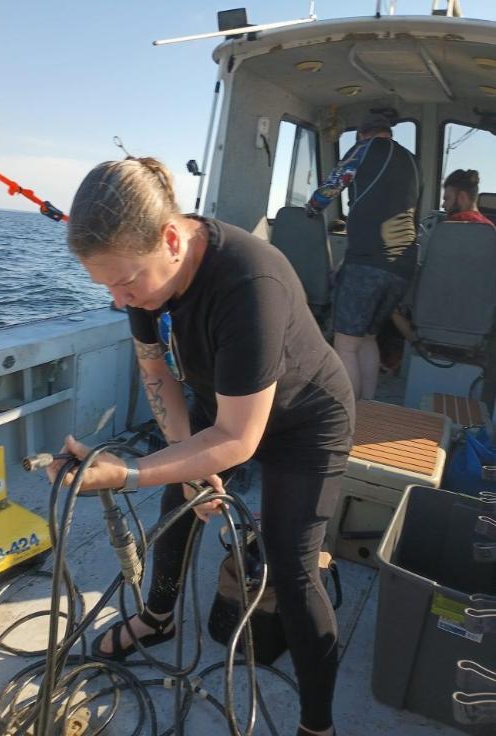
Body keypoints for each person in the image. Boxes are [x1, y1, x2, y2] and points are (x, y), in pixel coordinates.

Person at [52, 157, 355, 736]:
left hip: (306, 423)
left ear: (171, 239)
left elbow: (240, 438)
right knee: (181, 493)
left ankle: (318, 726)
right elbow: (154, 370)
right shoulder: (143, 280)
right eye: (106, 286)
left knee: (292, 570)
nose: (119, 300)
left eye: (127, 282)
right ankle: (157, 618)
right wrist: (182, 462)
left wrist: (130, 472)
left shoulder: (249, 280)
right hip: (225, 397)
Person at [306, 113, 420, 400]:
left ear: (362, 135)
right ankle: (368, 407)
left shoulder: (363, 150)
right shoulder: (412, 161)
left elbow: (330, 188)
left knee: (345, 344)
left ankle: (348, 417)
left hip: (368, 262)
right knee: (368, 339)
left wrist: (311, 209)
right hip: (403, 264)